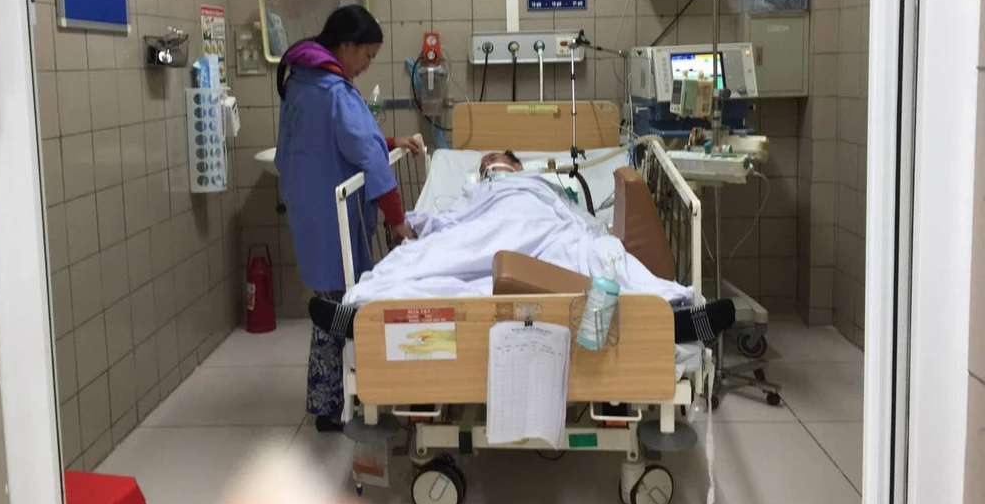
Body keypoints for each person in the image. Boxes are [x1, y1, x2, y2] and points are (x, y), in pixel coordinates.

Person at [309, 150, 735, 345]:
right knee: (422, 254)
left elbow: (576, 217)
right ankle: (363, 313)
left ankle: (672, 314)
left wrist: (592, 229)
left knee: (601, 254)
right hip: (481, 231)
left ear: (517, 165)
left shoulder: (541, 183)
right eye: (483, 164)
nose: (489, 165)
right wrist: (420, 226)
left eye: (497, 160)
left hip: (547, 229)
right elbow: (448, 221)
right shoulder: (474, 191)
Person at [275, 4, 421, 433]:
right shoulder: (335, 91)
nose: (366, 65)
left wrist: (390, 141)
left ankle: (333, 400)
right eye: (367, 56)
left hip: (308, 208)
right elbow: (369, 159)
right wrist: (398, 222)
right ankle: (337, 404)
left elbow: (331, 139)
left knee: (331, 302)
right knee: (340, 309)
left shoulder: (302, 82)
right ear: (346, 45)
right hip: (332, 215)